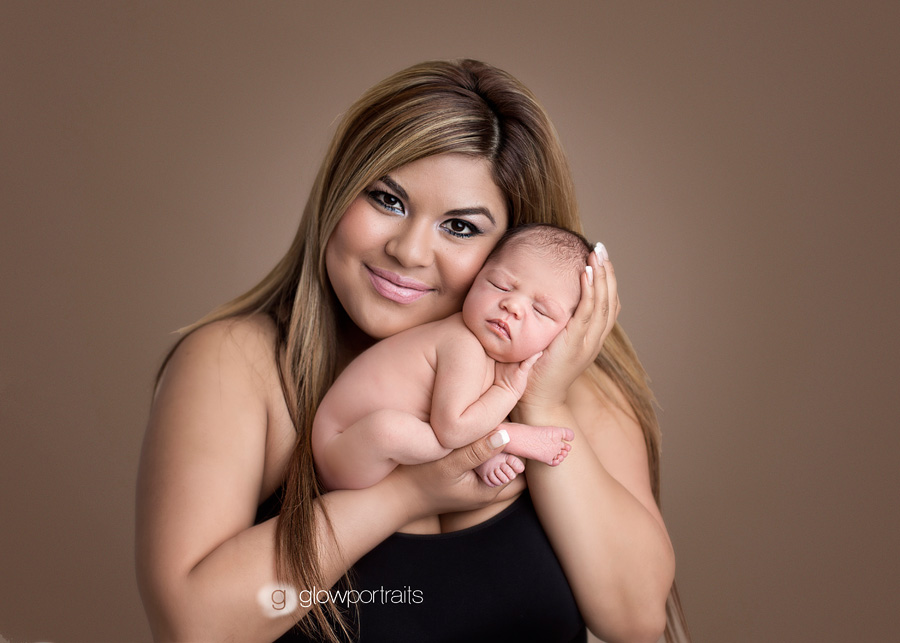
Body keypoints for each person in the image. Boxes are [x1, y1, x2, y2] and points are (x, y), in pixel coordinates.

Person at [135, 59, 689, 643]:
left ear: (517, 249)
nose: (408, 250)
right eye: (387, 200)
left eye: (461, 228)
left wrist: (542, 404)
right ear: (338, 190)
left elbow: (635, 621)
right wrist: (406, 493)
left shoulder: (581, 392)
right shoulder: (238, 366)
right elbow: (194, 626)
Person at [313, 224, 592, 491]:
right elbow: (453, 431)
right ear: (476, 278)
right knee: (393, 430)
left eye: (541, 310)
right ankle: (503, 440)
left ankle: (486, 448)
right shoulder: (462, 343)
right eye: (501, 285)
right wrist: (507, 391)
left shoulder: (488, 355)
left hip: (361, 447)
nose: (513, 305)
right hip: (341, 451)